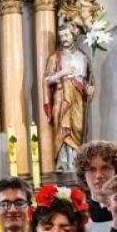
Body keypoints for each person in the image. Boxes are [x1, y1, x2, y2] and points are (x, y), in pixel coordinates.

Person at [42, 23, 91, 171]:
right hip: (61, 96)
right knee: (63, 127)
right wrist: (62, 73)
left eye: (67, 35)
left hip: (78, 96)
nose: (64, 39)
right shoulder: (55, 57)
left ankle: (76, 160)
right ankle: (63, 161)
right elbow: (46, 79)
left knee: (77, 127)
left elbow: (88, 80)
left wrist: (90, 89)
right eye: (61, 36)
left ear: (73, 35)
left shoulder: (83, 57)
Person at [74, 139, 117, 227]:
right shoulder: (77, 215)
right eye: (92, 169)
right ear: (83, 175)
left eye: (105, 168)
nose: (98, 175)